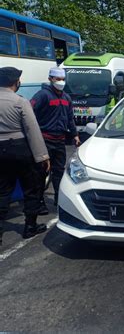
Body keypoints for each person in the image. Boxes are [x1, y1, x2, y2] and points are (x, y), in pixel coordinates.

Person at [0, 67, 50, 243]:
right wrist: (43, 156)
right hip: (20, 149)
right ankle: (30, 226)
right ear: (15, 82)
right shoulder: (20, 102)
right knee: (32, 188)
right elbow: (32, 130)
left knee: (3, 191)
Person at [31, 67, 80, 213]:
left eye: (63, 79)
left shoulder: (66, 98)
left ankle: (60, 200)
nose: (60, 82)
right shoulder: (42, 95)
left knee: (59, 172)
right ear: (50, 79)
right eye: (57, 79)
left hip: (60, 140)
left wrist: (75, 135)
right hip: (44, 140)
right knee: (41, 173)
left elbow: (70, 118)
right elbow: (29, 112)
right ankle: (39, 203)